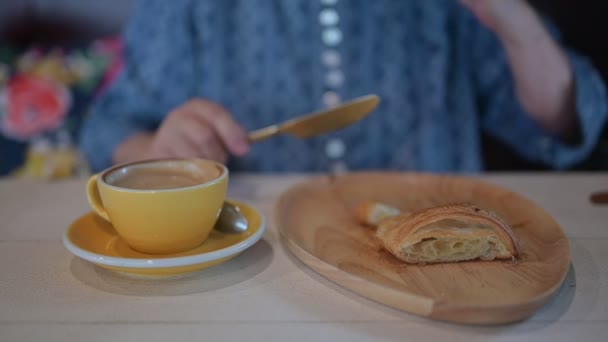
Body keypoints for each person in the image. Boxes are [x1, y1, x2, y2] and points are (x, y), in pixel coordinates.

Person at [80, 0, 608, 173]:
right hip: (256, 277)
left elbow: (562, 125)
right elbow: (109, 125)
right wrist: (161, 151)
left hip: (438, 285)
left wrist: (517, 24)